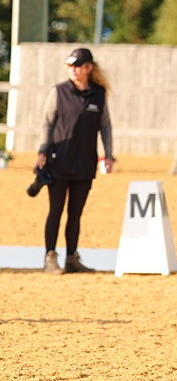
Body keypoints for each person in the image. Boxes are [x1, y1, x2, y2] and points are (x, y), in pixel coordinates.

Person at [36, 47, 114, 274]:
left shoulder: (99, 94)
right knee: (56, 210)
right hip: (58, 160)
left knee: (76, 212)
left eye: (78, 66)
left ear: (89, 68)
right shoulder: (58, 92)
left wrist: (108, 154)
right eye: (70, 66)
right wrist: (42, 150)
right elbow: (47, 123)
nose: (73, 70)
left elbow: (105, 126)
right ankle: (50, 257)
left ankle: (72, 258)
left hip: (85, 162)